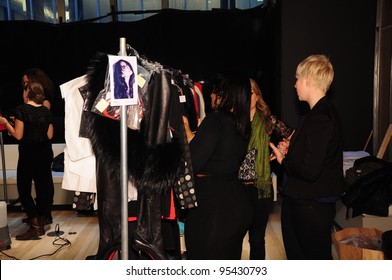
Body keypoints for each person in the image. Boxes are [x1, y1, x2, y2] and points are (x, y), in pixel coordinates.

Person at [269, 54, 344, 259]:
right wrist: (292, 147)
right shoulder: (318, 114)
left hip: (310, 206)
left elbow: (309, 170)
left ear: (308, 82)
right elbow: (314, 152)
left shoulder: (320, 118)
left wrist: (284, 160)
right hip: (307, 203)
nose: (295, 85)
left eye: (297, 79)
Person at [183, 74, 253, 259]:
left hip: (213, 208)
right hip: (235, 203)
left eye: (218, 91)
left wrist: (188, 137)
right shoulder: (243, 125)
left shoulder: (216, 120)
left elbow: (193, 162)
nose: (214, 95)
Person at [242, 78, 293, 260]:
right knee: (232, 238)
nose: (246, 97)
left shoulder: (268, 121)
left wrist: (280, 150)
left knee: (257, 239)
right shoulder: (232, 120)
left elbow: (292, 136)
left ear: (257, 96)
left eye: (250, 93)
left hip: (260, 187)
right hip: (236, 188)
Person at [0, 82, 54, 240]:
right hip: (44, 154)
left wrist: (5, 124)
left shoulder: (21, 110)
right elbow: (50, 135)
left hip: (28, 155)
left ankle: (35, 225)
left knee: (24, 189)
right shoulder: (46, 111)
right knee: (42, 188)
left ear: (27, 93)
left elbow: (18, 135)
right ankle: (42, 221)